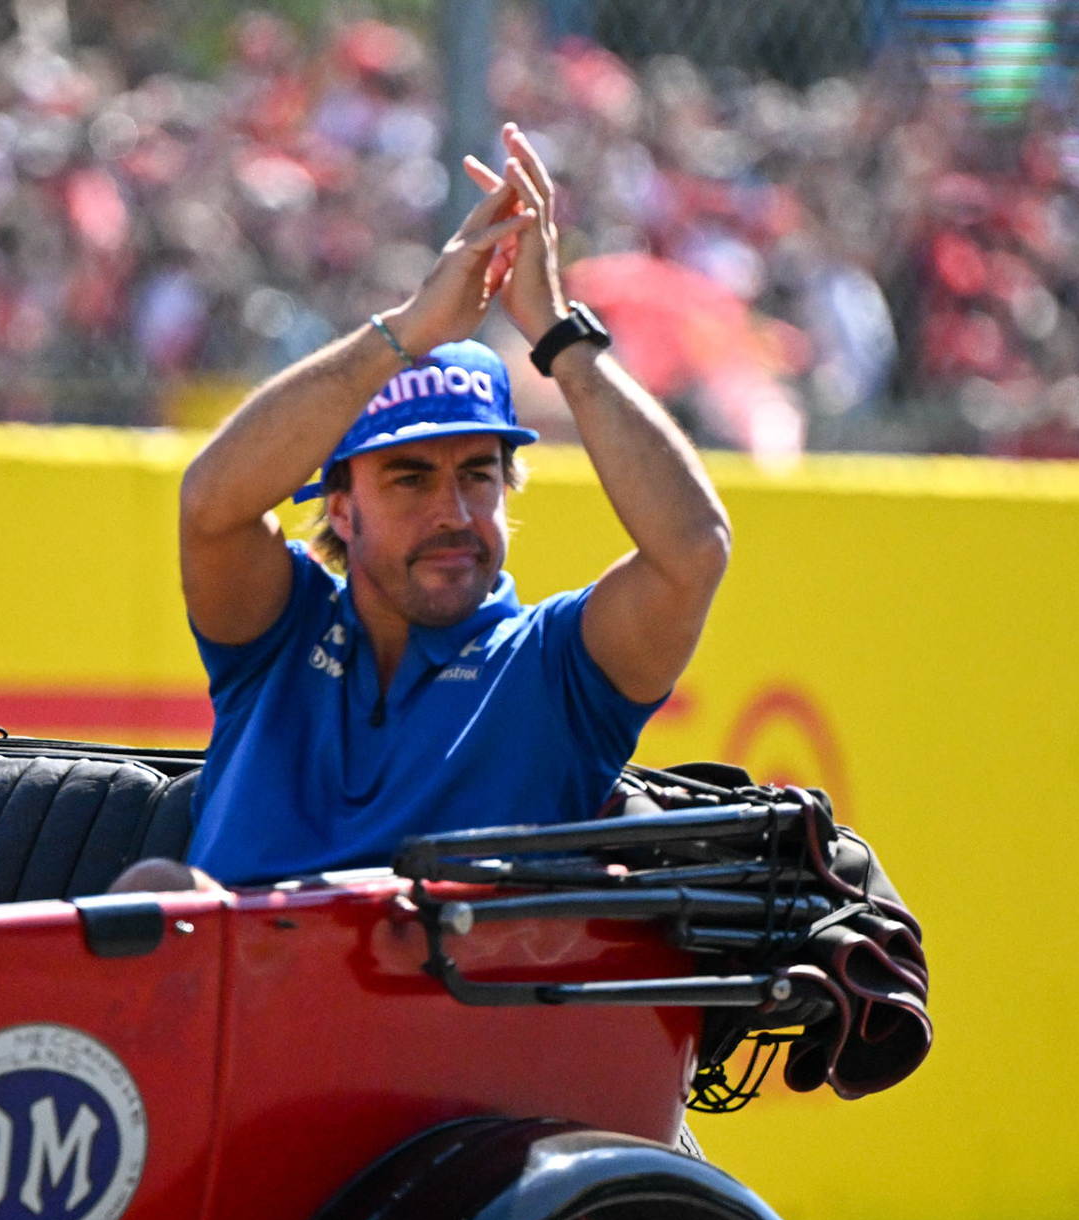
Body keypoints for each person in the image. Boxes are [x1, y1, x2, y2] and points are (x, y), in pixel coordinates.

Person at [113, 122, 731, 890]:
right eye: (409, 479)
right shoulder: (278, 632)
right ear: (340, 508)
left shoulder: (555, 667)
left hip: (434, 1005)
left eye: (477, 474)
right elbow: (210, 504)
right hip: (226, 996)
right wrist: (407, 332)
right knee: (154, 897)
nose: (453, 512)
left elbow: (694, 551)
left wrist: (557, 334)